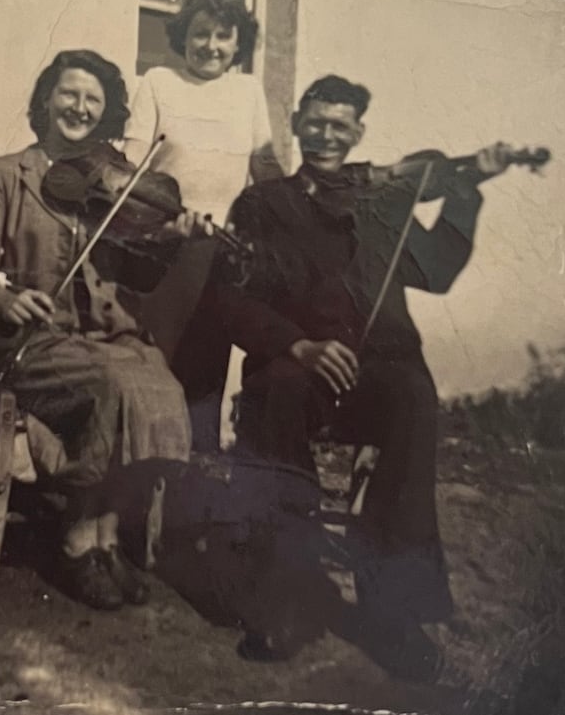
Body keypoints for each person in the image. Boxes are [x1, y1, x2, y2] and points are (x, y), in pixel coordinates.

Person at [195, 75, 515, 679]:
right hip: (296, 365)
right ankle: (287, 599)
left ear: (359, 133)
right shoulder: (261, 205)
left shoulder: (385, 199)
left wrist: (466, 189)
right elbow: (229, 300)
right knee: (277, 396)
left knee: (414, 396)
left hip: (379, 370)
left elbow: (438, 271)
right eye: (315, 122)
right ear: (295, 125)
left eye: (340, 125)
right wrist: (298, 344)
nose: (326, 135)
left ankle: (392, 611)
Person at [0, 50, 199, 611]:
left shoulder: (110, 185)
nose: (80, 107)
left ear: (106, 112)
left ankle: (106, 539)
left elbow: (137, 275)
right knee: (114, 386)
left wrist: (170, 239)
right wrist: (7, 298)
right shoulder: (4, 173)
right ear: (46, 100)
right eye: (69, 94)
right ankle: (75, 540)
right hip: (33, 344)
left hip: (102, 340)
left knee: (160, 381)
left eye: (94, 99)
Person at [125, 0, 284, 445]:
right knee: (155, 365)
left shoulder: (247, 90)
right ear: (183, 38)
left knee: (205, 376)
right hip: (163, 248)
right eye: (200, 35)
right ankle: (141, 489)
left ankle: (191, 489)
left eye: (222, 36)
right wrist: (156, 224)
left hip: (222, 253)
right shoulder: (158, 81)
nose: (210, 46)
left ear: (238, 43)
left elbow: (266, 170)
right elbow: (131, 171)